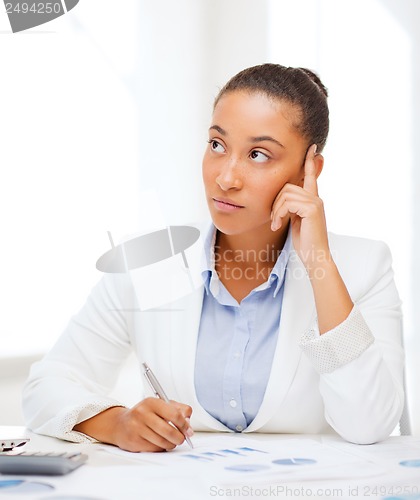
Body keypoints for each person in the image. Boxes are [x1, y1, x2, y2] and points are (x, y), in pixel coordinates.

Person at [23, 63, 405, 451]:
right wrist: (117, 423)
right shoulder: (150, 262)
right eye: (217, 145)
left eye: (258, 154)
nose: (226, 178)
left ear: (310, 170)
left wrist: (319, 262)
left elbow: (369, 424)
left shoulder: (363, 266)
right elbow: (46, 386)